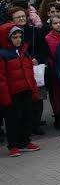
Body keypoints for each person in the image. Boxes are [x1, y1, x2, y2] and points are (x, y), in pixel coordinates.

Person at [0, 26, 41, 156]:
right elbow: (2, 78)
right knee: (13, 120)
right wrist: (6, 97)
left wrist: (33, 89)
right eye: (14, 37)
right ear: (7, 39)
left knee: (27, 117)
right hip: (12, 93)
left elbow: (29, 73)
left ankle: (24, 141)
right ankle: (13, 145)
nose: (18, 40)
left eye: (20, 37)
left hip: (26, 89)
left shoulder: (24, 51)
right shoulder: (3, 54)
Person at [44, 15, 60, 130]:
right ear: (51, 25)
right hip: (55, 70)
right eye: (55, 23)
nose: (58, 25)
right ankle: (59, 117)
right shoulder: (48, 38)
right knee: (56, 95)